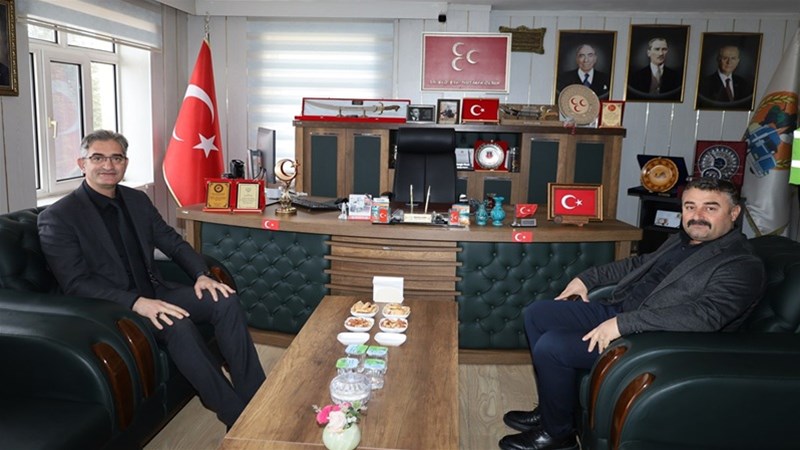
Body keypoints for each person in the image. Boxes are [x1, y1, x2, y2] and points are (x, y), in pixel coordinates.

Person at [498, 177, 765, 450]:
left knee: (552, 346)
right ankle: (551, 410)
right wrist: (586, 279)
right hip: (623, 311)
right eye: (690, 206)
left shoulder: (741, 263)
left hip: (655, 338)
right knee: (538, 313)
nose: (697, 216)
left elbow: (705, 316)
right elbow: (638, 264)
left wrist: (623, 323)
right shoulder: (682, 240)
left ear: (734, 213)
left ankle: (558, 435)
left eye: (710, 208)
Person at [38, 130, 266, 429]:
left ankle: (259, 399)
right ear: (82, 163)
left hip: (156, 291)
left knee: (224, 299)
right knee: (177, 325)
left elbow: (172, 242)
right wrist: (136, 302)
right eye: (98, 158)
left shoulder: (136, 200)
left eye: (116, 158)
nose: (108, 165)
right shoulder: (59, 216)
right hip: (111, 308)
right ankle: (238, 418)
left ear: (125, 163)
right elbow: (75, 283)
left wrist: (201, 275)